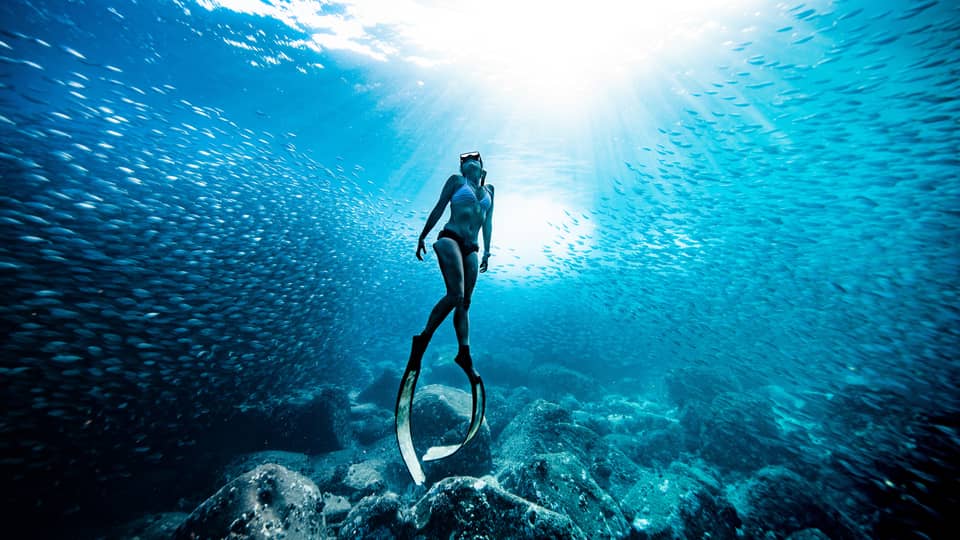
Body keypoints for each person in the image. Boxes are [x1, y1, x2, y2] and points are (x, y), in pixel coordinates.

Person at [395, 151, 495, 485]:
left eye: (475, 160)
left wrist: (489, 250)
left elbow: (489, 222)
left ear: (483, 167)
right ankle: (423, 339)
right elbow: (440, 208)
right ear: (461, 168)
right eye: (464, 159)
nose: (469, 162)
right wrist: (423, 234)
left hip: (472, 248)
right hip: (449, 239)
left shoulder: (491, 190)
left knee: (464, 302)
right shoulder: (455, 182)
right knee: (454, 294)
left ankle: (463, 353)